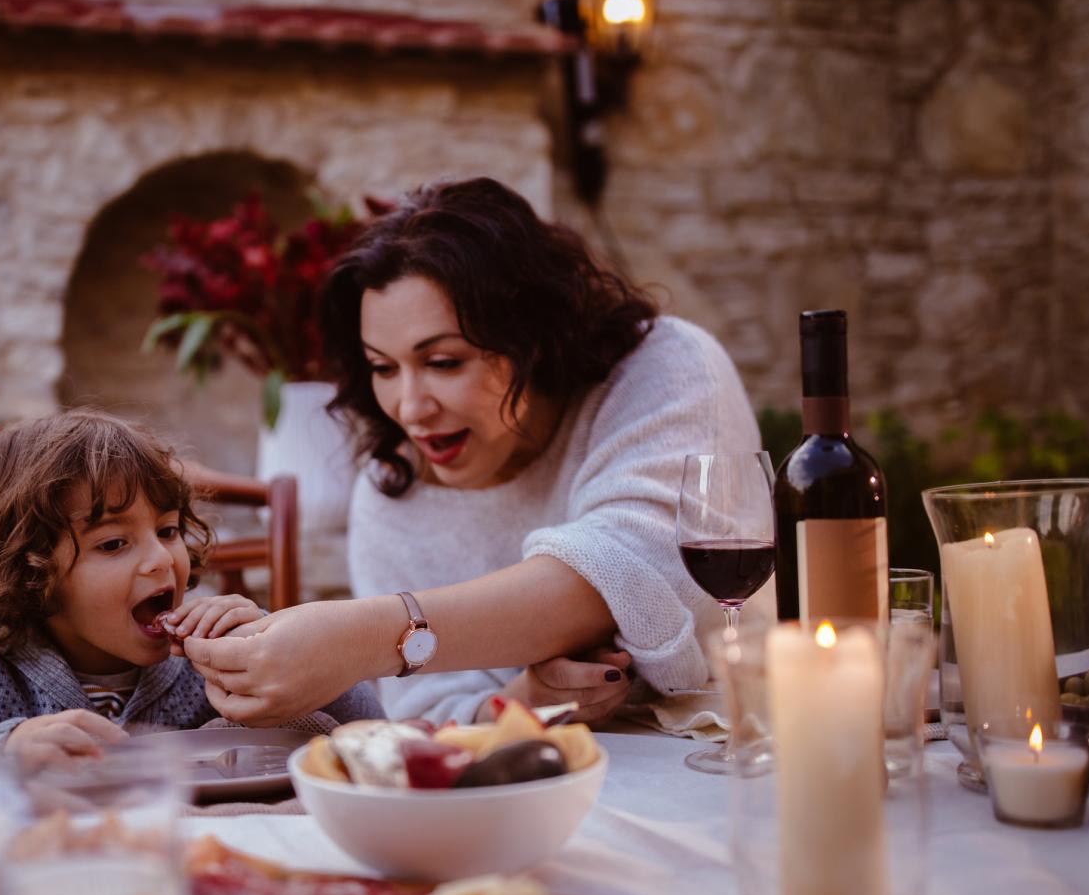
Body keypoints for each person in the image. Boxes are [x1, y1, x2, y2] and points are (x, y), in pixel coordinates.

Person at [183, 177, 760, 728]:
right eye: (383, 368)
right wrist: (517, 702)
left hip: (740, 753)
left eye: (443, 362)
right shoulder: (392, 494)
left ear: (534, 339)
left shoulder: (667, 368)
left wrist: (357, 639)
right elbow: (422, 709)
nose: (410, 408)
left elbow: (633, 565)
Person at [0, 411, 379, 790]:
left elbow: (370, 734)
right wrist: (1, 746)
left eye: (170, 530)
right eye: (113, 543)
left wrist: (275, 661)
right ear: (32, 572)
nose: (161, 559)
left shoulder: (203, 675)